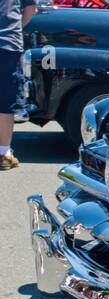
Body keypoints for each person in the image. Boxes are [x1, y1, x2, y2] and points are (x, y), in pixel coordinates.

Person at [0, 0, 35, 171]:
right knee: (6, 100)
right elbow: (30, 9)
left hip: (9, 41)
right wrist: (15, 28)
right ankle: (4, 153)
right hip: (8, 42)